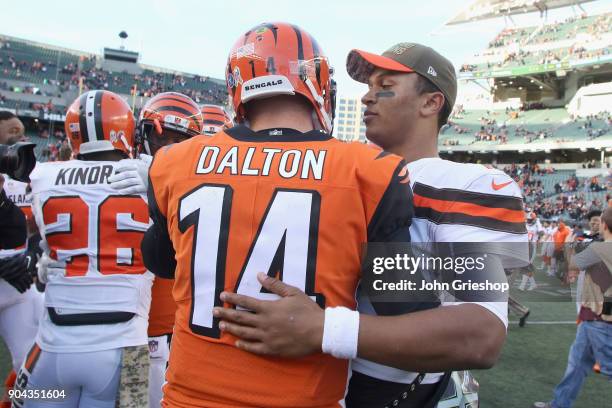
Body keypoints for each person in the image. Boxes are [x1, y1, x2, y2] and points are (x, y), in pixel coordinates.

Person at [215, 42, 528, 407]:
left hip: (383, 391)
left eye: (385, 85)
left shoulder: (470, 184)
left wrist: (324, 329)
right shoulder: (337, 169)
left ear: (431, 103)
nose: (367, 98)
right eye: (367, 87)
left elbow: (481, 335)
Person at [141, 22, 414, 407]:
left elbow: (162, 264)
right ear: (319, 86)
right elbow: (409, 315)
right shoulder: (369, 170)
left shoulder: (173, 162)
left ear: (238, 88)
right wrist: (328, 328)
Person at [14, 90, 152, 408]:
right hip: (130, 351)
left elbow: (18, 230)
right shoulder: (153, 179)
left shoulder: (43, 175)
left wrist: (45, 259)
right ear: (125, 131)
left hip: (52, 350)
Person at [121, 91, 204, 408]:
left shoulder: (198, 188)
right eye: (162, 140)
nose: (168, 151)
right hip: (123, 332)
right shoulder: (117, 175)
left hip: (161, 337)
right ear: (142, 136)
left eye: (179, 143)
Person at [534, 207, 612, 408]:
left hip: (600, 320)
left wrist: (569, 245)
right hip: (592, 318)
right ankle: (559, 404)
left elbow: (573, 265)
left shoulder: (601, 248)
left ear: (604, 224)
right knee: (576, 366)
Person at [0, 111, 41, 403]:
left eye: (23, 132)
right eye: (13, 132)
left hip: (15, 287)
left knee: (33, 369)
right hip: (8, 275)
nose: (22, 139)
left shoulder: (15, 180)